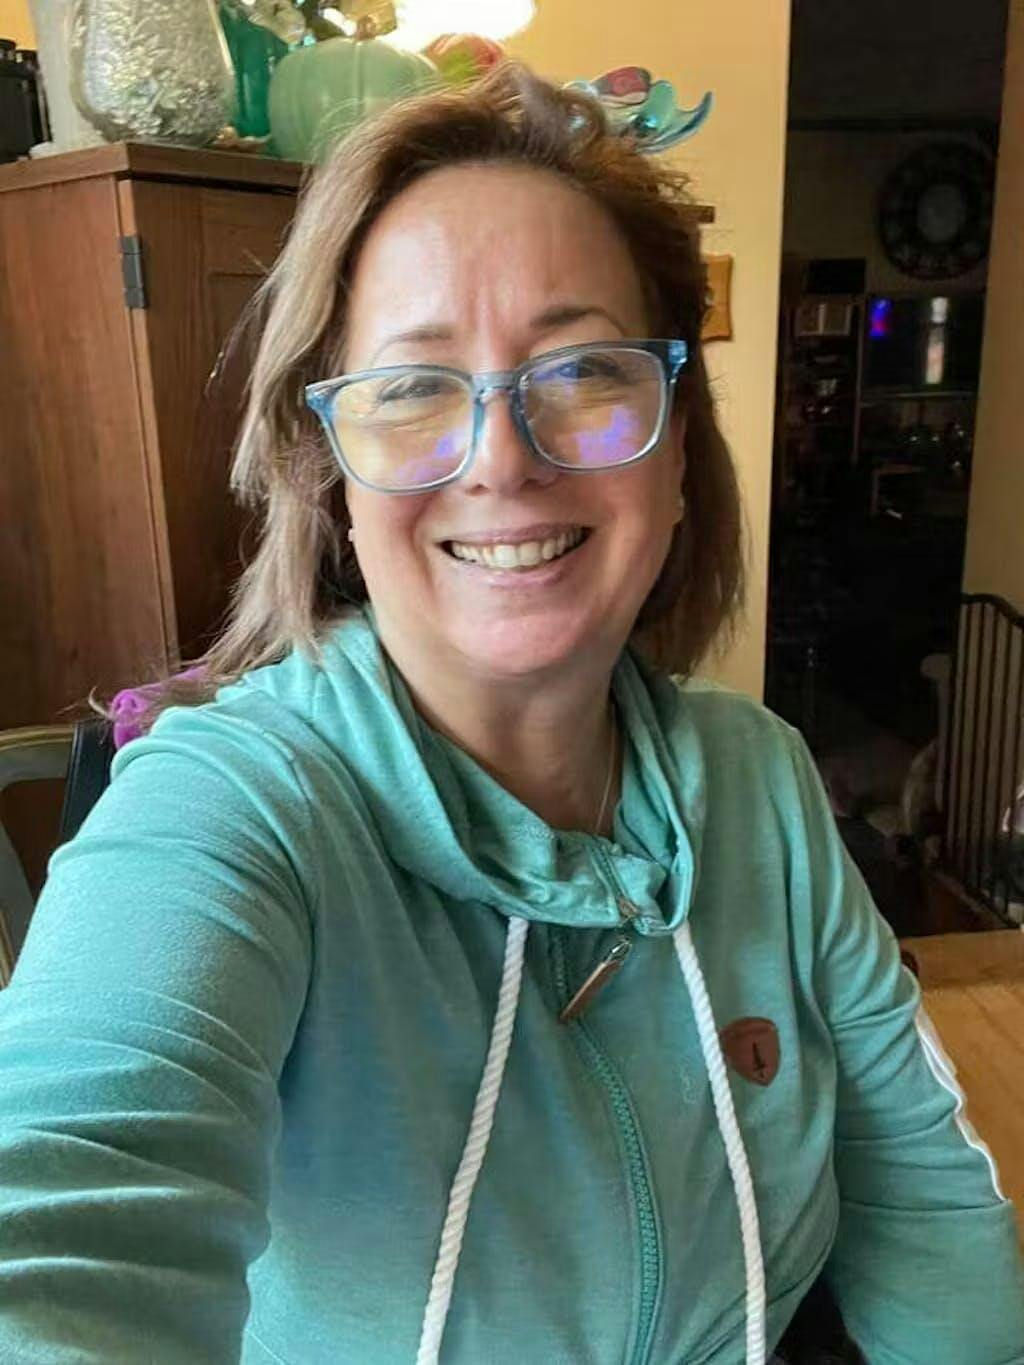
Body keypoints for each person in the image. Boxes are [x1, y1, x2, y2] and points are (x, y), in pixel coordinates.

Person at [0, 64, 1021, 1365]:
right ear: (331, 478)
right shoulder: (233, 808)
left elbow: (926, 1193)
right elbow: (62, 1199)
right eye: (413, 386)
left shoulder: (760, 774)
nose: (502, 457)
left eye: (582, 368)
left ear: (678, 443)